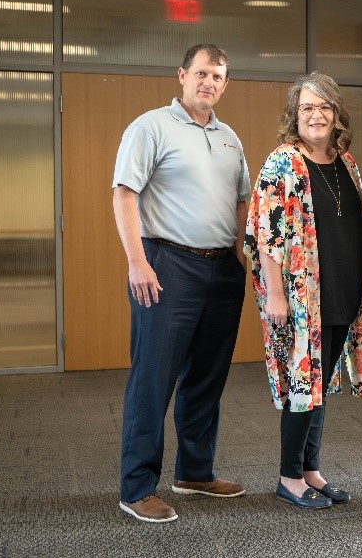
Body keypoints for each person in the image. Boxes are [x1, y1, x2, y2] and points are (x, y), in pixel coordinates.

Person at [112, 44, 249, 523]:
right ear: (182, 75)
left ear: (225, 84)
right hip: (166, 265)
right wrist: (137, 261)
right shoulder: (151, 127)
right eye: (201, 73)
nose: (208, 82)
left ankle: (194, 472)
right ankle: (136, 487)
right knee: (154, 378)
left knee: (206, 377)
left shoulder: (230, 137)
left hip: (222, 271)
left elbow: (241, 200)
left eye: (218, 76)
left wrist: (239, 253)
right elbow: (125, 193)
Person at [244, 72, 362, 510]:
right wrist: (275, 295)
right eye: (306, 108)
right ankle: (288, 476)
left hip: (340, 290)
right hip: (299, 297)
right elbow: (265, 234)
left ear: (336, 114)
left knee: (320, 384)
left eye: (324, 107)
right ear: (294, 116)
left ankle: (311, 469)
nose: (316, 115)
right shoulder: (283, 161)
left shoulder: (348, 164)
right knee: (303, 382)